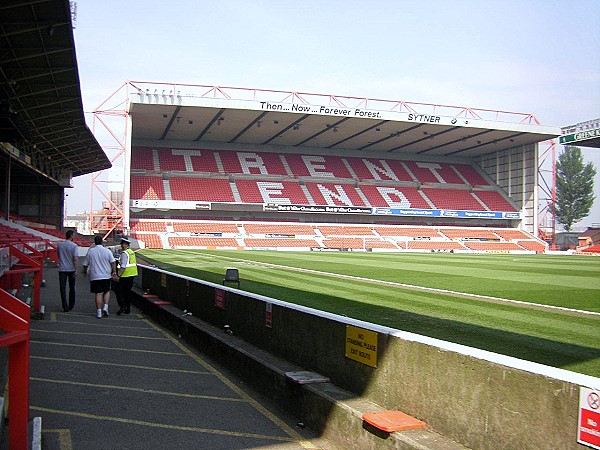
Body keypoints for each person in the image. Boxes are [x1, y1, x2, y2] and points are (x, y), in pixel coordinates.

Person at [83, 235, 117, 318]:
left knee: (98, 293)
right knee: (107, 291)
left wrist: (85, 272)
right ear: (102, 242)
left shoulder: (91, 251)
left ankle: (99, 312)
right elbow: (113, 262)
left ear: (94, 242)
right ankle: (105, 307)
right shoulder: (107, 251)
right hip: (106, 275)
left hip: (95, 275)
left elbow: (85, 264)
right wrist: (114, 272)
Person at [56, 229, 79, 311]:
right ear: (71, 236)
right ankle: (71, 304)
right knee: (72, 287)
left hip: (62, 268)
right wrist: (76, 269)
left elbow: (58, 255)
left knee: (62, 288)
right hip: (71, 268)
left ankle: (64, 305)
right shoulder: (74, 246)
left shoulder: (60, 245)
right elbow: (75, 258)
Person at [114, 238, 138, 315]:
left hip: (125, 276)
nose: (121, 245)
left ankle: (122, 306)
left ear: (126, 245)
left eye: (123, 244)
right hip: (132, 275)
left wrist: (118, 276)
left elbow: (123, 266)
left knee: (119, 291)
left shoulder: (125, 253)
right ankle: (128, 309)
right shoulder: (131, 252)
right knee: (127, 292)